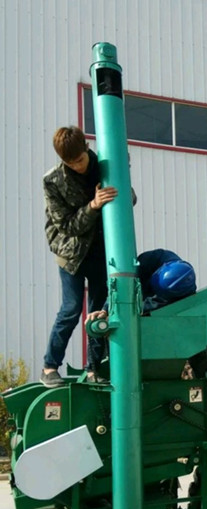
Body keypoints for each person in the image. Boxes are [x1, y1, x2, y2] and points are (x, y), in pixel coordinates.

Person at [41, 126, 136, 387]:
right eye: (70, 163)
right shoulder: (52, 181)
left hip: (101, 251)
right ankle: (49, 366)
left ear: (86, 148)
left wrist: (122, 180)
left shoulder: (106, 165)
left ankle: (94, 369)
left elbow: (130, 199)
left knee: (98, 312)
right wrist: (94, 205)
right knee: (71, 309)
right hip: (71, 252)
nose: (77, 167)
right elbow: (67, 226)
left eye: (80, 160)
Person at [87, 249, 207, 407]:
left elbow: (153, 306)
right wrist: (107, 310)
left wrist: (135, 313)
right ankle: (92, 370)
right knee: (99, 322)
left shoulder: (184, 290)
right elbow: (120, 288)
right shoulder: (149, 262)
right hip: (136, 292)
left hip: (163, 308)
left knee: (197, 354)